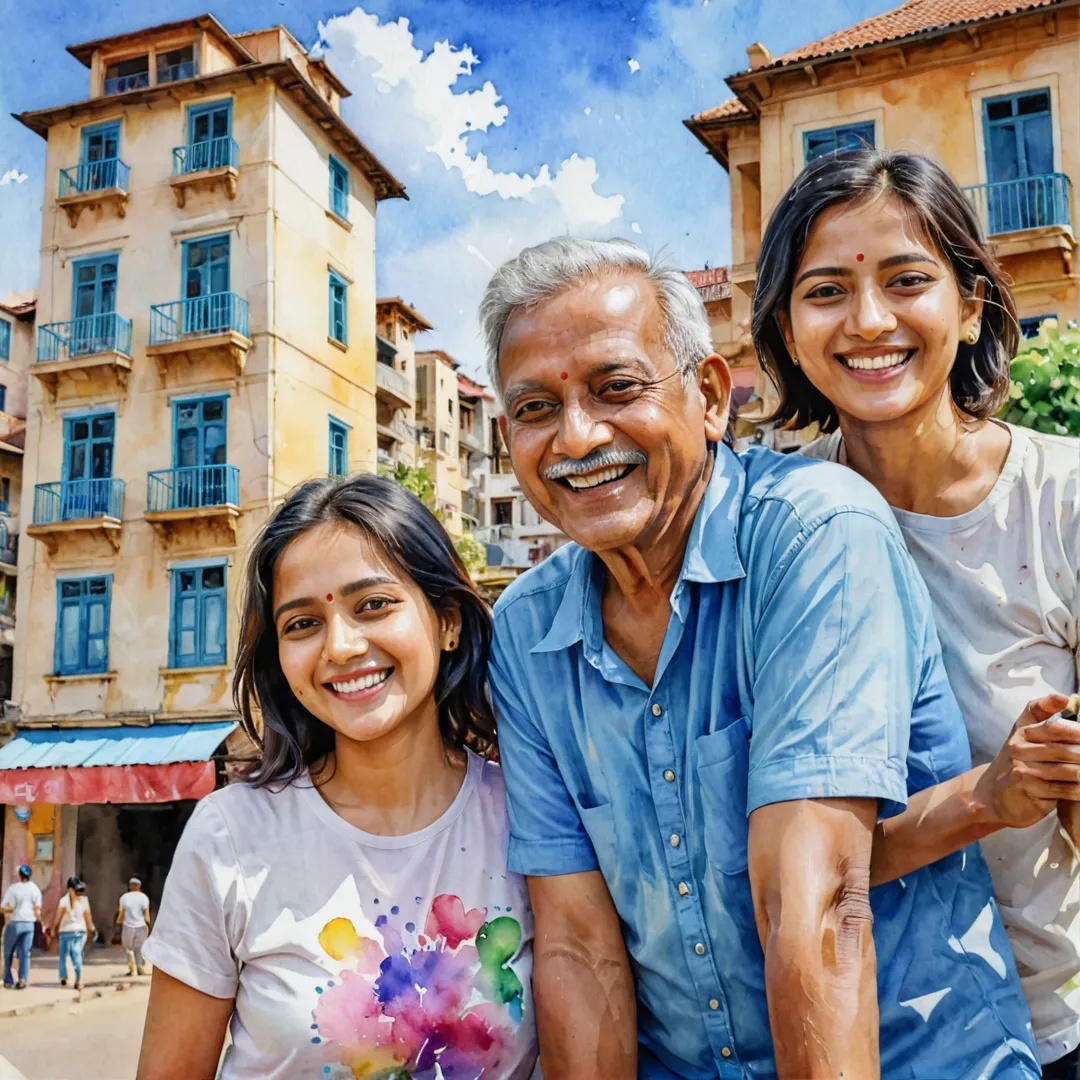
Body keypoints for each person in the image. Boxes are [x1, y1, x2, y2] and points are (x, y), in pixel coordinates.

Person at [478, 236, 1080, 1079]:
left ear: (710, 397)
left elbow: (820, 902)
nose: (577, 437)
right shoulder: (526, 627)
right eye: (536, 408)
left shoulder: (814, 531)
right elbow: (581, 949)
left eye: (617, 388)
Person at [748, 146, 1080, 1077]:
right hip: (852, 1034)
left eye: (907, 281)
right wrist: (991, 797)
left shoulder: (1062, 502)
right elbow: (784, 869)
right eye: (825, 292)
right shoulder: (767, 533)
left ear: (972, 304)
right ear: (785, 326)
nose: (869, 321)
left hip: (1049, 1029)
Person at [137, 475, 538, 1080]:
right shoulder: (230, 838)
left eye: (373, 605)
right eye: (302, 624)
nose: (343, 646)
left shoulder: (531, 815)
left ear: (448, 619)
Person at [1, 865, 41, 990]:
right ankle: (23, 980)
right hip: (29, 924)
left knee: (8, 952)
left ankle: (8, 979)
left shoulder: (13, 888)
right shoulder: (35, 889)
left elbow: (2, 908)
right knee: (25, 953)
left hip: (15, 923)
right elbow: (37, 910)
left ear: (19, 875)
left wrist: (11, 909)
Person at [52, 876, 94, 989]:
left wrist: (53, 929)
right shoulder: (84, 900)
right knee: (77, 955)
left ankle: (63, 977)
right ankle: (79, 978)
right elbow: (87, 917)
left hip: (65, 932)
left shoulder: (63, 901)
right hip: (80, 932)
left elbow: (58, 918)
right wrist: (91, 929)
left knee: (63, 956)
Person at [117, 877, 150, 976]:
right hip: (141, 926)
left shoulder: (124, 897)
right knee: (139, 949)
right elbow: (146, 915)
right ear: (139, 886)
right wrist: (148, 928)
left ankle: (133, 969)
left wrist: (118, 924)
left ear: (130, 886)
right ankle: (140, 968)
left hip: (128, 926)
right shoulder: (144, 897)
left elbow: (121, 912)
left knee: (128, 949)